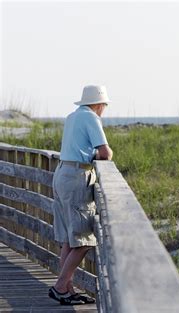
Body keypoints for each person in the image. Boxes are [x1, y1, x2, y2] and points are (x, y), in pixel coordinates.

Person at [48, 85, 113, 305]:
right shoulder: (92, 118)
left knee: (68, 238)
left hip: (61, 173)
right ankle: (59, 287)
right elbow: (105, 153)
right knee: (84, 240)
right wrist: (97, 154)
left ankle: (67, 288)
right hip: (76, 176)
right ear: (99, 104)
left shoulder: (72, 116)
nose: (104, 109)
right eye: (104, 105)